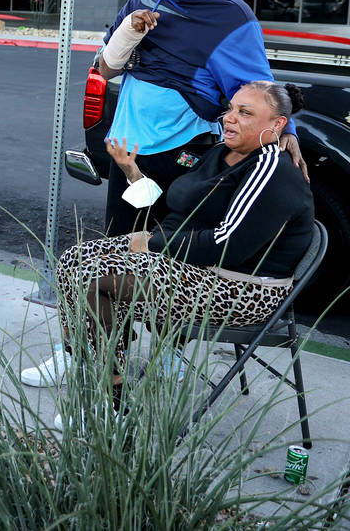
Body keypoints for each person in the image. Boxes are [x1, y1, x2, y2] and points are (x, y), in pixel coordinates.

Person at [22, 83, 313, 429]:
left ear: (278, 125)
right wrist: (132, 172)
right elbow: (179, 209)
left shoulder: (270, 169)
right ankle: (82, 356)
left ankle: (111, 402)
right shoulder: (220, 153)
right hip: (196, 266)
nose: (230, 118)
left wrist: (154, 244)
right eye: (232, 108)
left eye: (245, 113)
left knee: (98, 281)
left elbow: (226, 245)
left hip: (240, 289)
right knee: (73, 260)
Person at [93, 0, 305, 238]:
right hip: (128, 150)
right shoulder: (142, 2)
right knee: (120, 244)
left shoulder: (231, 16)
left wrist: (286, 127)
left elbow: (256, 83)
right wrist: (129, 30)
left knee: (169, 250)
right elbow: (106, 69)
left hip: (182, 154)